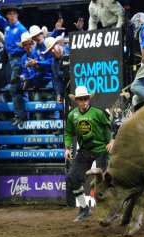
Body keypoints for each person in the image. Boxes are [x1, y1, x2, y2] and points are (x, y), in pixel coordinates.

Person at [64, 86, 115, 222]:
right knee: (72, 177)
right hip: (85, 151)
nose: (84, 101)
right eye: (81, 99)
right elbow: (68, 132)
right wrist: (67, 148)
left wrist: (111, 139)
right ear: (76, 101)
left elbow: (110, 125)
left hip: (101, 151)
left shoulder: (98, 112)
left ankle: (111, 210)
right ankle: (84, 209)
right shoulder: (72, 115)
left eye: (86, 98)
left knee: (104, 182)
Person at [0, 0, 28, 126]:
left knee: (14, 87)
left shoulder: (22, 29)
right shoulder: (6, 25)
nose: (12, 16)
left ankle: (20, 115)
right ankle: (21, 115)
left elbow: (29, 45)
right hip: (12, 59)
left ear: (17, 15)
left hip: (19, 58)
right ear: (7, 16)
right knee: (16, 88)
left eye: (14, 13)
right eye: (10, 14)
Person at [42, 36, 70, 102]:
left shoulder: (70, 49)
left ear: (59, 44)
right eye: (50, 50)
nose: (52, 51)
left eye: (53, 48)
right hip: (67, 90)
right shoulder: (54, 63)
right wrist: (58, 94)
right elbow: (56, 79)